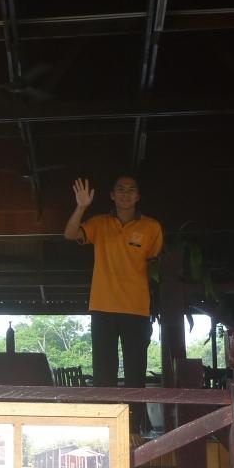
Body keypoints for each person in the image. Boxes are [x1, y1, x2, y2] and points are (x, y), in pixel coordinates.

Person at [64, 174, 163, 427]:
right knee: (104, 371)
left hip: (136, 308)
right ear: (112, 195)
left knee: (135, 372)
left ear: (138, 196)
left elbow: (155, 268)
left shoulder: (152, 227)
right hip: (103, 307)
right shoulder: (99, 223)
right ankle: (105, 426)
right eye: (120, 188)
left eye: (131, 189)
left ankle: (136, 427)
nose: (126, 193)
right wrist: (81, 206)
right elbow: (70, 233)